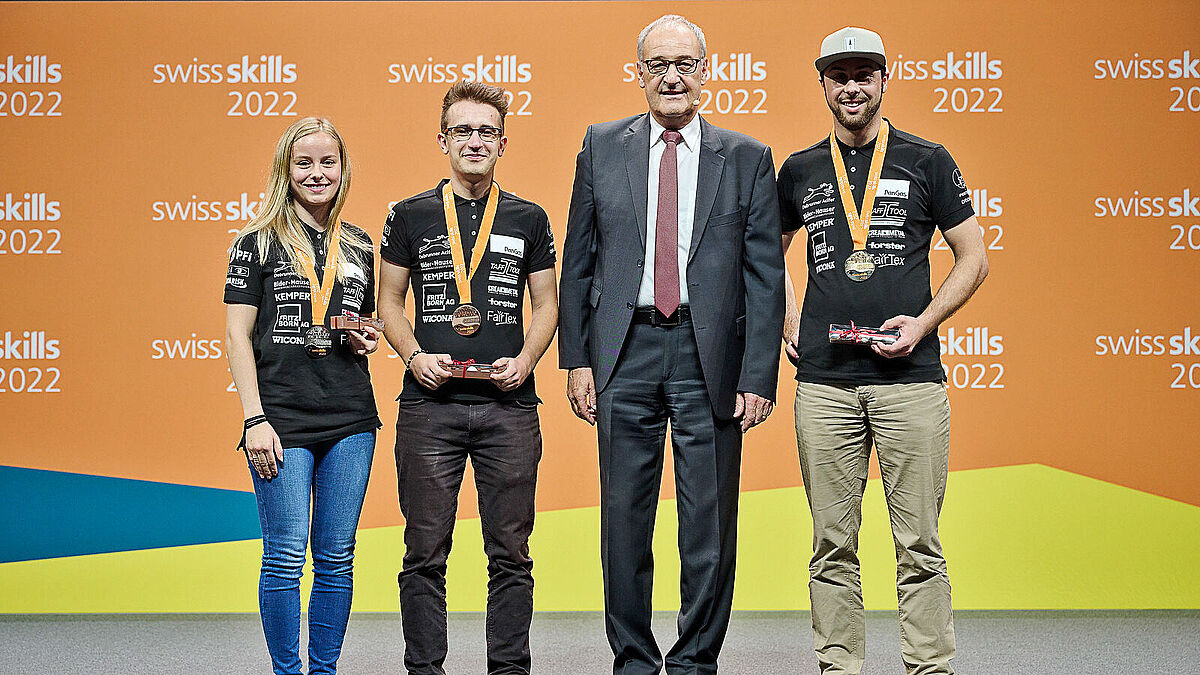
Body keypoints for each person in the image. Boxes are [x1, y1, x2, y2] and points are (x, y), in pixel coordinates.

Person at [558, 14, 785, 675]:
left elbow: (765, 276)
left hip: (705, 353)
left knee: (707, 523)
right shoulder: (600, 146)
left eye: (684, 62)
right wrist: (576, 359)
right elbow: (578, 262)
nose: (672, 76)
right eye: (657, 64)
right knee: (623, 516)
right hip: (622, 350)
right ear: (638, 74)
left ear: (706, 71)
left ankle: (693, 660)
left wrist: (759, 374)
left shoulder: (746, 157)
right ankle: (632, 656)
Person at [777, 27, 989, 675]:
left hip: (911, 382)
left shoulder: (927, 160)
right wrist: (789, 321)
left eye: (863, 74)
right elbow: (766, 255)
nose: (851, 87)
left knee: (919, 542)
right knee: (831, 544)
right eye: (838, 75)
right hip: (825, 383)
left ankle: (929, 667)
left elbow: (974, 256)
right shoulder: (801, 168)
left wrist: (923, 323)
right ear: (822, 84)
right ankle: (839, 667)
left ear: (883, 80)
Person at [376, 80, 558, 675]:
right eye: (462, 131)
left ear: (502, 142)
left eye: (485, 131)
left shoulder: (530, 217)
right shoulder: (409, 214)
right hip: (430, 407)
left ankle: (509, 670)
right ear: (442, 140)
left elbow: (547, 304)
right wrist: (412, 356)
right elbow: (390, 302)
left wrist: (527, 362)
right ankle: (425, 670)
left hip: (510, 407)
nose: (474, 141)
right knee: (424, 552)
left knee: (511, 554)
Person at [224, 117, 381, 675]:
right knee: (286, 558)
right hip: (280, 420)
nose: (317, 174)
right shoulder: (256, 243)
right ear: (285, 171)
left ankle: (324, 670)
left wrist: (365, 336)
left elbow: (358, 326)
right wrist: (254, 419)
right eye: (304, 163)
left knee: (337, 560)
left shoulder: (360, 243)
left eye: (327, 163)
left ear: (343, 169)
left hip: (351, 419)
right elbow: (239, 336)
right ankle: (288, 672)